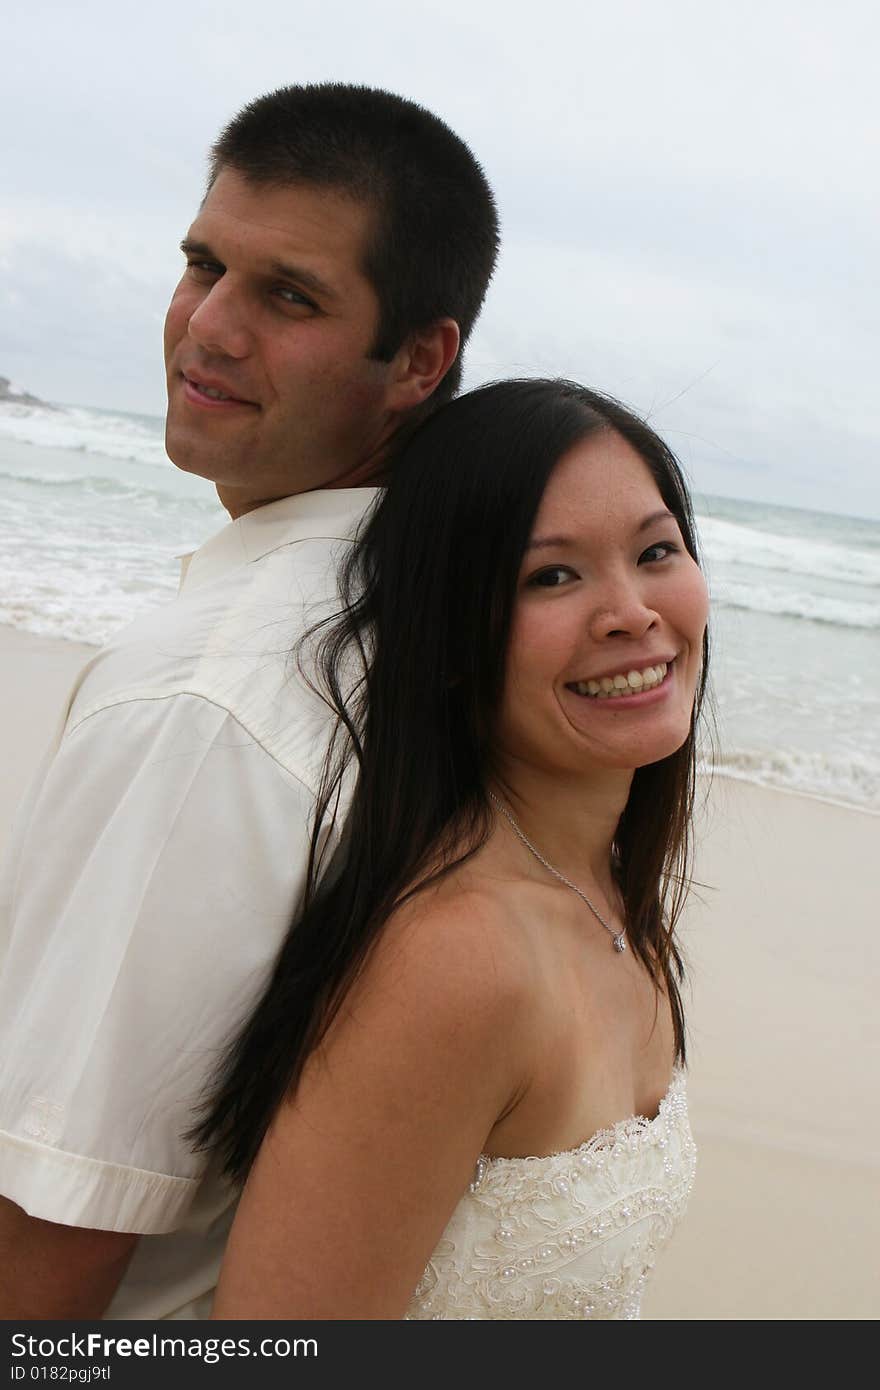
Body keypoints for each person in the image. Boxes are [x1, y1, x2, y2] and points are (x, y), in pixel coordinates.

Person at [0, 83, 499, 1319]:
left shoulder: (209, 696)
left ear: (420, 361)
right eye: (200, 263)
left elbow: (66, 1204)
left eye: (288, 296)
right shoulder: (434, 616)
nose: (206, 327)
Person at [193, 377, 711, 1321]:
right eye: (551, 575)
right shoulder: (456, 962)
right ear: (450, 636)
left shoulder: (606, 890)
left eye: (656, 550)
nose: (632, 611)